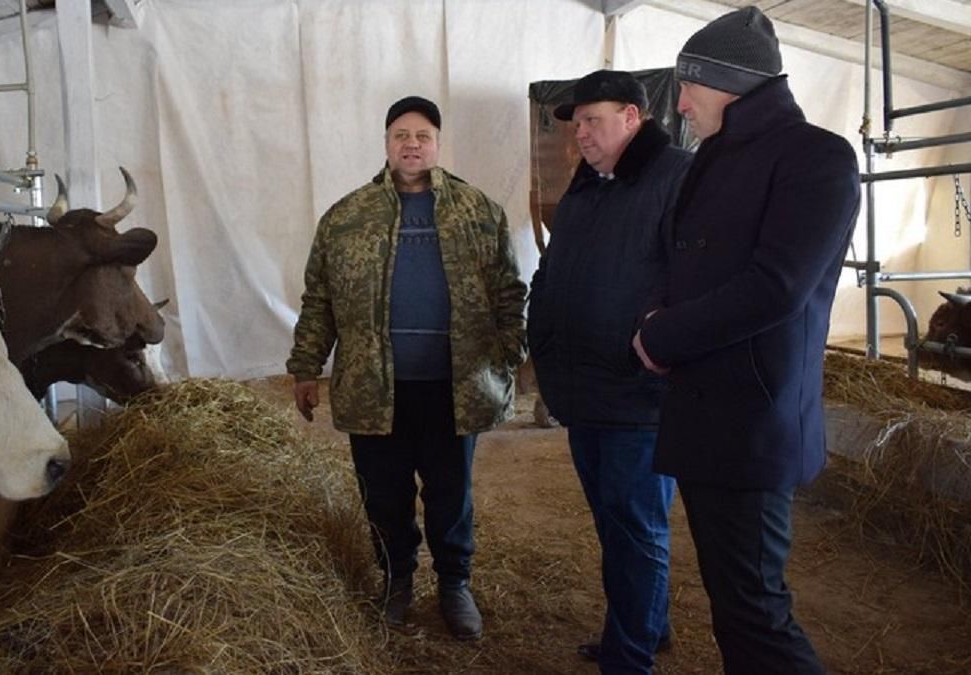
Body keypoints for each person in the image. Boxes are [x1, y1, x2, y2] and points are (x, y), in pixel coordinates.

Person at [632, 7, 860, 674]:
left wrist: (663, 336)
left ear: (727, 83)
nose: (680, 103)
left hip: (752, 417)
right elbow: (680, 259)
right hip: (705, 413)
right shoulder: (714, 158)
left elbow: (776, 287)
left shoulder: (817, 158)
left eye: (688, 86)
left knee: (756, 608)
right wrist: (655, 317)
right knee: (733, 602)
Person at [286, 95, 527, 641]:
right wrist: (305, 367)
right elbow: (319, 300)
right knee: (384, 495)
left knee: (450, 495)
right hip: (374, 387)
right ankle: (396, 581)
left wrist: (508, 353)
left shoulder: (478, 211)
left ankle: (454, 585)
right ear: (386, 143)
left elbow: (509, 292)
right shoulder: (347, 218)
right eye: (401, 135)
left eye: (422, 135)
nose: (411, 144)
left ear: (437, 144)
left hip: (451, 386)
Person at [527, 70, 691, 674]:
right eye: (576, 125)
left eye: (592, 121)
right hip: (584, 389)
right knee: (615, 522)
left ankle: (629, 657)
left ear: (631, 117)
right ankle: (646, 626)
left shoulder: (676, 177)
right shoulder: (588, 185)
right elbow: (555, 267)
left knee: (635, 526)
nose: (581, 135)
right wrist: (541, 332)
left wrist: (653, 346)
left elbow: (693, 280)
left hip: (638, 394)